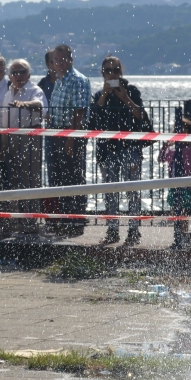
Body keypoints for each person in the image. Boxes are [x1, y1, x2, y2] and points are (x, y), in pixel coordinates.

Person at [87, 56, 147, 245]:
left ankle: (134, 230)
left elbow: (141, 117)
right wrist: (105, 95)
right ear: (102, 73)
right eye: (108, 71)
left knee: (133, 191)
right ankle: (112, 229)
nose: (112, 74)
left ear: (121, 72)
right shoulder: (98, 96)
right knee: (110, 191)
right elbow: (93, 123)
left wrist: (125, 98)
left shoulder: (132, 91)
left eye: (115, 70)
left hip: (130, 147)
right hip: (108, 150)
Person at [47, 44, 91, 237]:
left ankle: (75, 220)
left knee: (73, 177)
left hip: (71, 135)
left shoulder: (77, 80)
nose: (59, 63)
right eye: (56, 60)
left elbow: (79, 111)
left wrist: (71, 138)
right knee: (57, 178)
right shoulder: (60, 80)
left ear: (71, 60)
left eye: (62, 59)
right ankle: (62, 219)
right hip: (56, 134)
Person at [2, 59, 47, 234]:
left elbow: (40, 105)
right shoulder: (8, 92)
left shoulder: (35, 90)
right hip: (10, 138)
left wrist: (24, 104)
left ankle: (32, 220)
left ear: (28, 74)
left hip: (30, 137)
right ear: (10, 76)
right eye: (14, 72)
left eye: (22, 72)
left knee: (31, 179)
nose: (18, 75)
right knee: (13, 178)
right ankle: (16, 218)